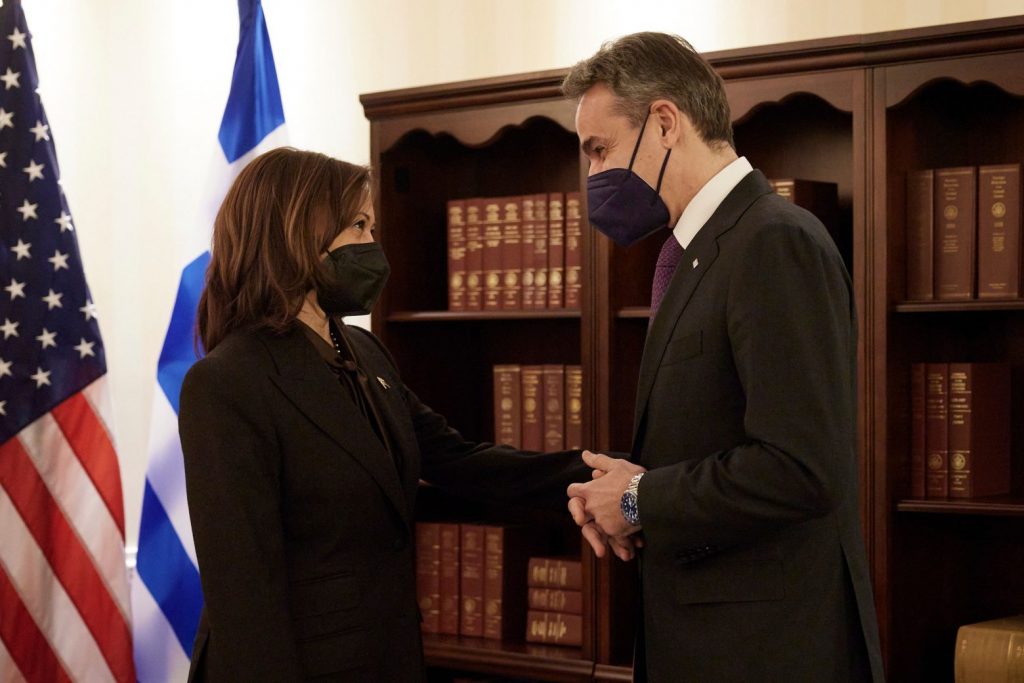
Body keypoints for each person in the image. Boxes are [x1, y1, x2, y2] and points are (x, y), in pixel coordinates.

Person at [177, 147, 592, 681]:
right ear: (297, 234)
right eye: (358, 226)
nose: (373, 245)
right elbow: (244, 595)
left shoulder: (365, 353)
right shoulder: (227, 383)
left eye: (372, 227)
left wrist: (611, 477)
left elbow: (460, 461)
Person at [562, 33, 885, 681]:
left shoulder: (773, 241)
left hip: (767, 651)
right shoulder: (698, 249)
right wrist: (624, 491)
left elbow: (801, 467)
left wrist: (639, 499)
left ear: (664, 122)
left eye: (599, 150)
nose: (593, 176)